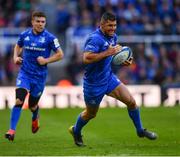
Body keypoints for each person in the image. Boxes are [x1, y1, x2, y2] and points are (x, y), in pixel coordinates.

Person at [69, 12, 157, 147]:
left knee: (132, 102)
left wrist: (125, 60)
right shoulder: (94, 39)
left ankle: (140, 130)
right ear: (102, 24)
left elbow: (113, 55)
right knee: (91, 114)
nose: (113, 28)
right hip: (93, 84)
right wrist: (107, 53)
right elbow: (86, 58)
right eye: (110, 25)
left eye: (115, 25)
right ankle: (76, 130)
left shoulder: (113, 37)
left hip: (108, 78)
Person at [5, 11, 64, 141]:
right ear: (32, 22)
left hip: (39, 78)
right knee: (19, 100)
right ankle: (11, 130)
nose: (40, 24)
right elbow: (18, 46)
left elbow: (60, 54)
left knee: (32, 106)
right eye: (38, 21)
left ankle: (35, 116)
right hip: (25, 74)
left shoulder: (50, 38)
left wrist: (46, 60)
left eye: (43, 22)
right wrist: (15, 57)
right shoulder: (24, 35)